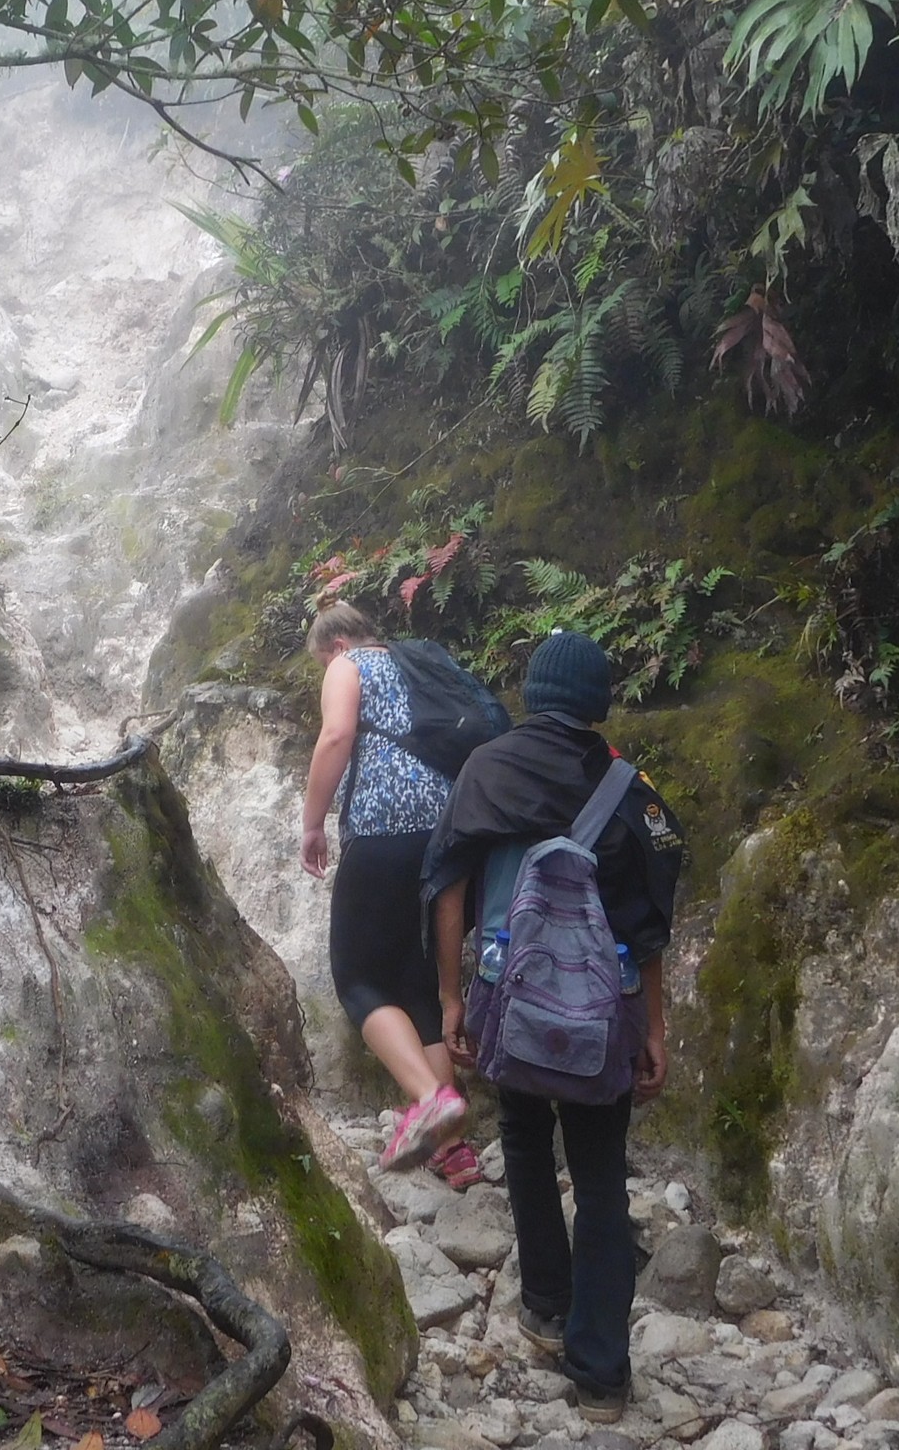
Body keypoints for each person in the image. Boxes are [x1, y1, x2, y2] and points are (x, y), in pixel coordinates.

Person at [423, 629, 687, 1426]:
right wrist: (655, 1027)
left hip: (509, 997)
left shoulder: (487, 769)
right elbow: (649, 926)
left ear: (535, 694)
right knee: (604, 1177)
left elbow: (447, 889)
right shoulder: (628, 788)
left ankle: (543, 1304)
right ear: (599, 702)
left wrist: (449, 998)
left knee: (527, 1141)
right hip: (604, 1015)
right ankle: (601, 1373)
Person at [297, 602, 480, 1181]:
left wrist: (312, 821)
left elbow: (337, 735)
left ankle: (431, 1102)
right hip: (448, 834)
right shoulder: (421, 665)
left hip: (382, 834)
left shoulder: (349, 665)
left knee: (358, 978)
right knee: (414, 983)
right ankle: (455, 1153)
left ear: (337, 643)